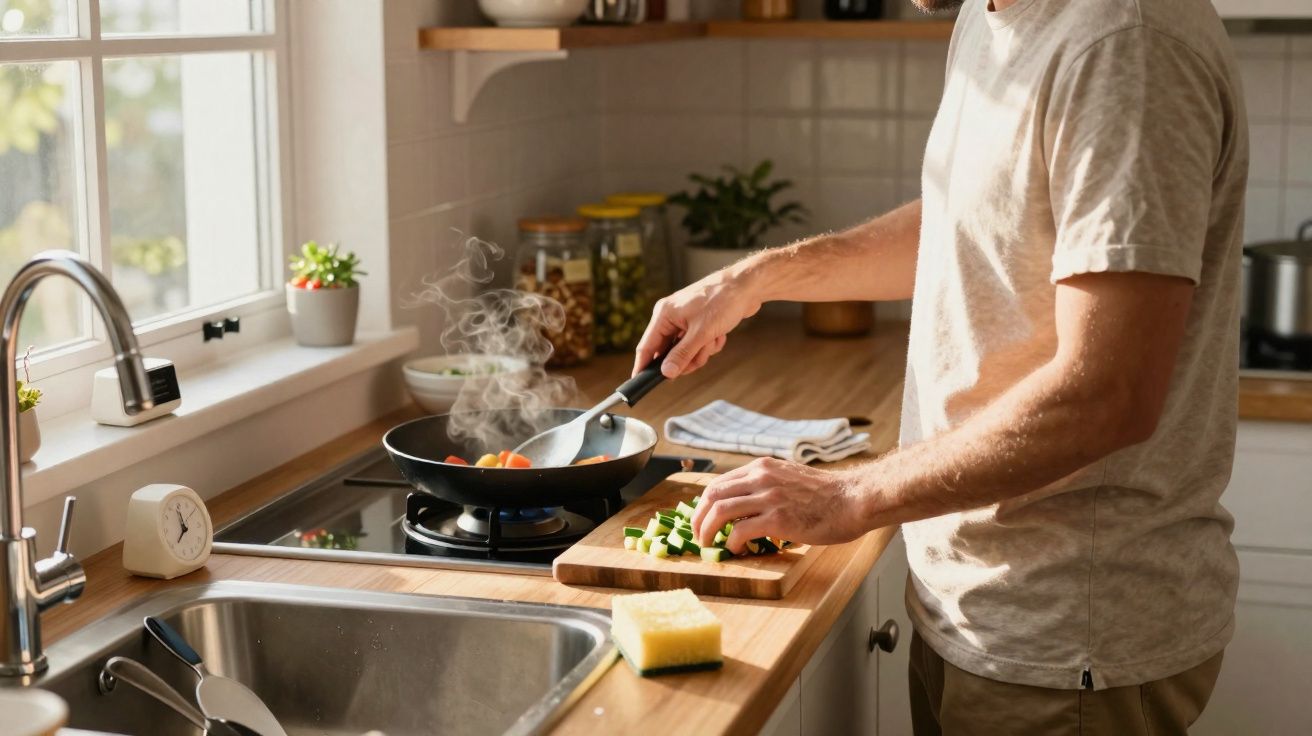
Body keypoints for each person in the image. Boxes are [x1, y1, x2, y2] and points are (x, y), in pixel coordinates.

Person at [632, 0, 1247, 732]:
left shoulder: (1126, 43)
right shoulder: (993, 14)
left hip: (1065, 639)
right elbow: (978, 218)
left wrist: (846, 495)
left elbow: (1107, 393)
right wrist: (754, 280)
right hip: (976, 606)